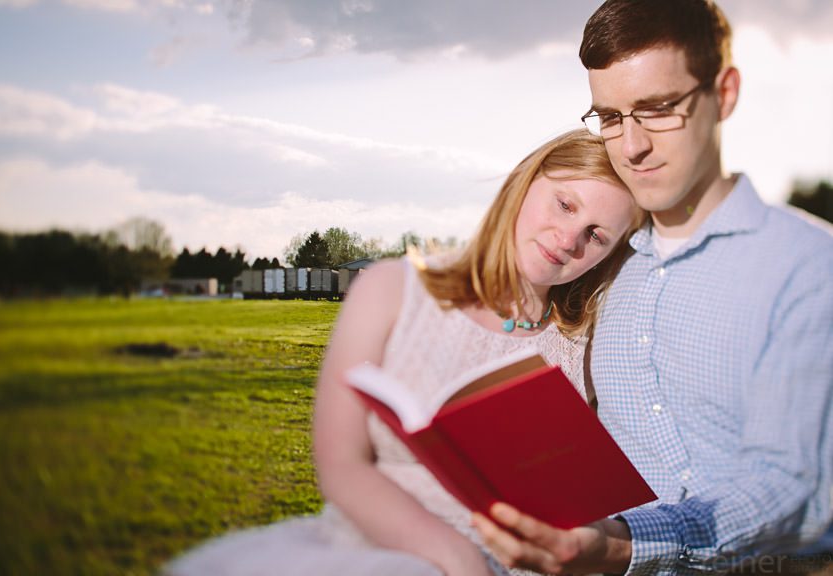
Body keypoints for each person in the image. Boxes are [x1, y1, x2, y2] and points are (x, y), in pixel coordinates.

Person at [162, 128, 644, 576]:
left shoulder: (586, 347)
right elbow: (341, 466)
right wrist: (458, 560)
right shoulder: (391, 289)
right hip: (378, 555)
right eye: (564, 204)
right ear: (525, 181)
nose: (569, 239)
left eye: (596, 235)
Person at [473, 1, 833, 574]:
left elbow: (791, 488)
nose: (631, 146)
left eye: (658, 109)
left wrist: (622, 544)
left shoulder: (808, 266)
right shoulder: (597, 268)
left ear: (725, 94)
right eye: (610, 117)